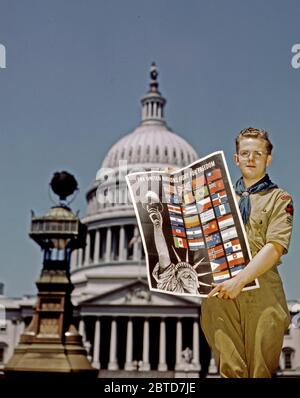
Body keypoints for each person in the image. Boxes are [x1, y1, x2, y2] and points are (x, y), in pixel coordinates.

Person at [200, 127, 294, 378]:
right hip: (221, 296)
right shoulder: (216, 199)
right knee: (230, 371)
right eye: (245, 153)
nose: (250, 159)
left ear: (268, 159)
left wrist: (239, 281)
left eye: (257, 154)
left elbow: (274, 248)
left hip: (262, 296)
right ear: (236, 158)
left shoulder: (279, 199)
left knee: (259, 372)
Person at [144, 191, 204, 295]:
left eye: (192, 276)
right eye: (185, 275)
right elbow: (163, 254)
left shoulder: (205, 296)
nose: (190, 279)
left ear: (198, 283)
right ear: (176, 280)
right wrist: (158, 227)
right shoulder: (173, 288)